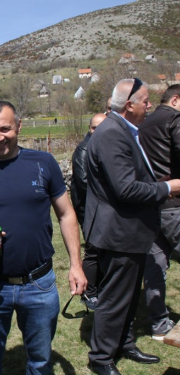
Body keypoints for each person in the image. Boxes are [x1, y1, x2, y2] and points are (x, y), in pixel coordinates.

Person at [0, 99, 86, 375]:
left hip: (39, 283)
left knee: (41, 360)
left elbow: (66, 215)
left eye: (4, 129)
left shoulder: (44, 163)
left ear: (19, 126)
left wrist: (76, 265)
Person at [84, 78, 180, 375]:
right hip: (118, 233)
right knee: (114, 298)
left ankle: (123, 344)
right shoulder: (112, 133)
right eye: (146, 100)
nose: (149, 105)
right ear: (130, 105)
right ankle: (100, 358)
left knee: (127, 295)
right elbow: (125, 189)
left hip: (130, 231)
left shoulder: (123, 129)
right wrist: (169, 188)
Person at [138, 84, 180, 341]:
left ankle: (158, 323)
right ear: (175, 100)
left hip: (149, 203)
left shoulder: (142, 124)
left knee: (155, 267)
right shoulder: (174, 119)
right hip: (174, 203)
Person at [70, 113, 106, 309]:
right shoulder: (84, 149)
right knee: (93, 249)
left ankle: (99, 287)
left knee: (100, 249)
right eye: (96, 128)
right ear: (90, 128)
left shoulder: (102, 145)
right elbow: (84, 182)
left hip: (100, 206)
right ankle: (89, 292)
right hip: (88, 207)